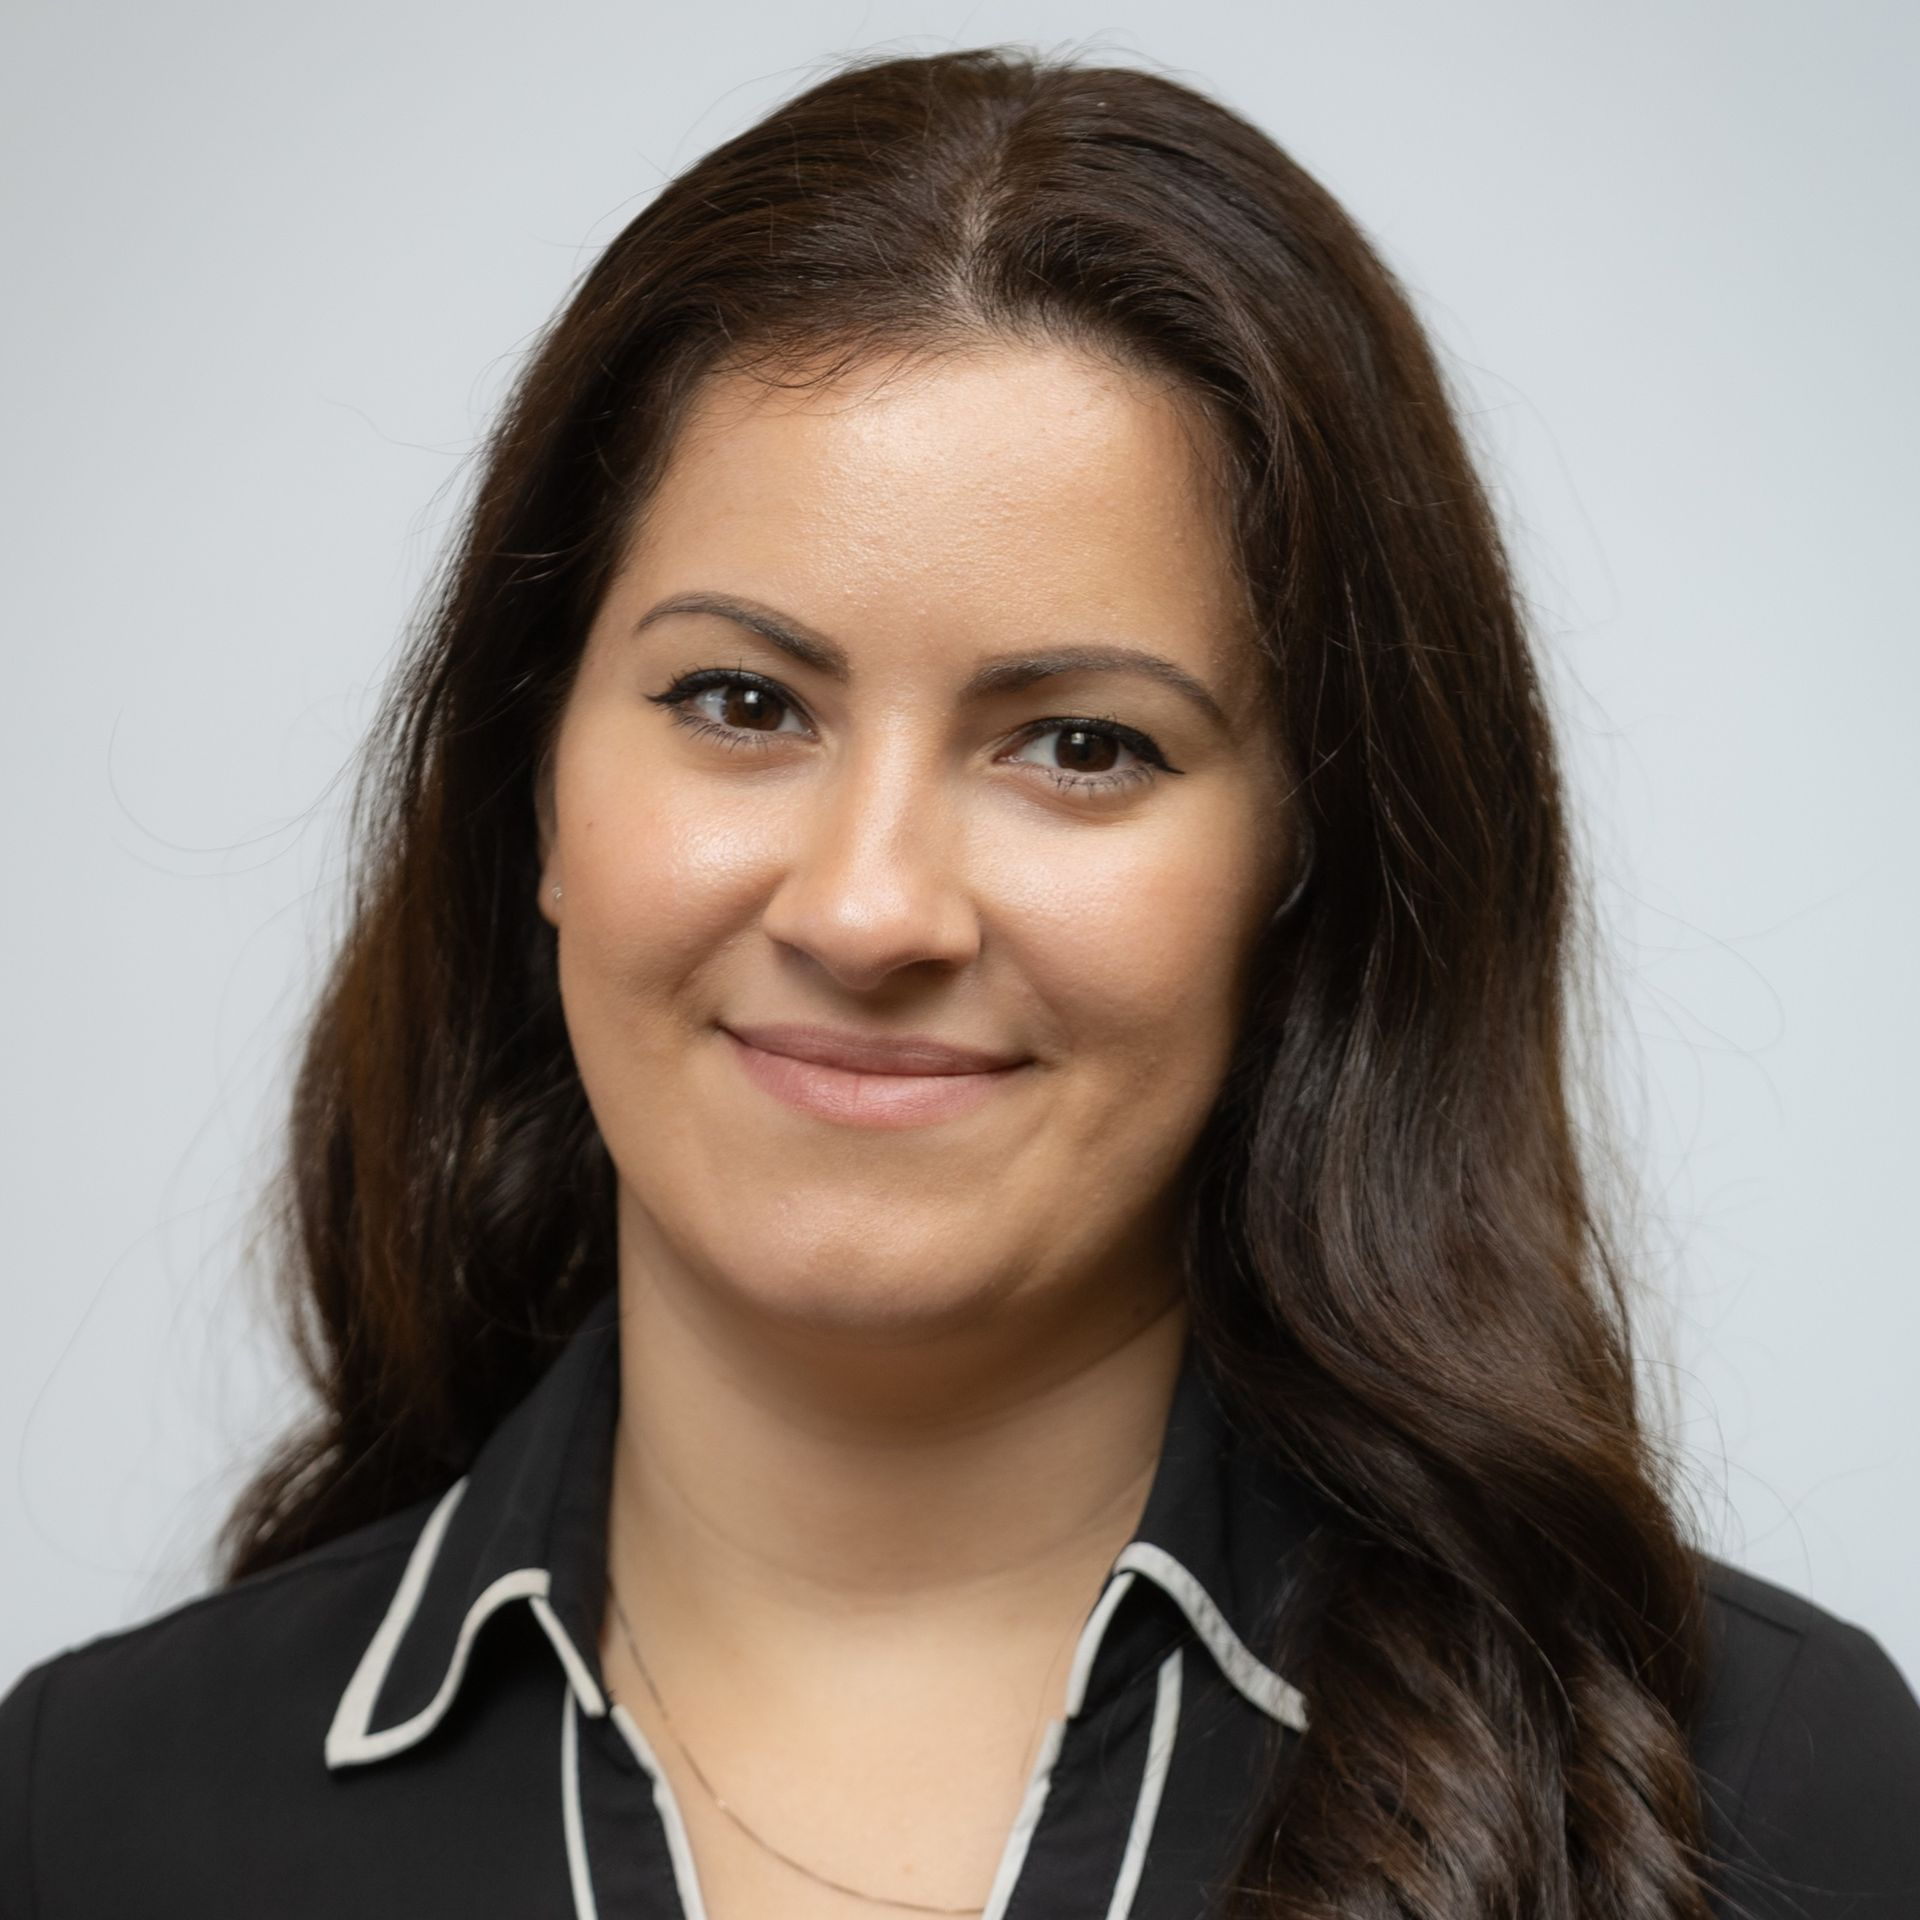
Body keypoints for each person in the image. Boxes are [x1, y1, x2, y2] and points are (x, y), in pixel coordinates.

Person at [2, 43, 1915, 1920]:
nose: (869, 907)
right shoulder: (91, 1816)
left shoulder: (1770, 1788)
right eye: (741, 703)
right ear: (538, 799)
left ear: (1313, 872)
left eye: (1080, 744)